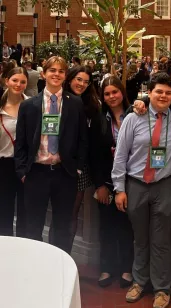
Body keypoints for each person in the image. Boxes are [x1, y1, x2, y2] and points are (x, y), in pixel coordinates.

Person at [112, 73, 171, 308]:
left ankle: (162, 287)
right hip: (137, 185)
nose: (163, 96)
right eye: (159, 91)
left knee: (161, 240)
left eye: (168, 93)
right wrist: (119, 188)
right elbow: (120, 155)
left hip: (165, 184)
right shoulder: (133, 118)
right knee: (140, 238)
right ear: (149, 92)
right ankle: (140, 281)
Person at [14, 56, 88, 254]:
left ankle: (59, 270)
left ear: (65, 76)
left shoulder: (75, 104)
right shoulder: (29, 105)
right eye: (52, 70)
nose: (56, 74)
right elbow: (20, 142)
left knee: (62, 226)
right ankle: (36, 267)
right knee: (33, 226)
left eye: (61, 71)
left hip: (65, 173)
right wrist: (22, 171)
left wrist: (77, 167)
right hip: (36, 173)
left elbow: (82, 138)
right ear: (43, 73)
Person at [90, 75, 134, 288]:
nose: (111, 96)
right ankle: (107, 267)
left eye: (115, 92)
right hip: (106, 183)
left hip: (132, 182)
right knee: (106, 227)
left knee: (127, 227)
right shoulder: (99, 120)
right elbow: (94, 154)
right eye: (107, 94)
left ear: (122, 92)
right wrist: (99, 185)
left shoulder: (135, 115)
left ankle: (127, 268)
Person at [63, 66, 98, 244]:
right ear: (70, 79)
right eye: (79, 79)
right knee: (59, 212)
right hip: (58, 162)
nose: (82, 84)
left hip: (80, 165)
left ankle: (66, 251)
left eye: (86, 81)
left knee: (72, 211)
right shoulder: (57, 99)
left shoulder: (91, 105)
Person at [0, 67, 28, 237]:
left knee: (26, 211)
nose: (18, 84)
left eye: (22, 81)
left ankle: (24, 254)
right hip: (3, 165)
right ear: (6, 81)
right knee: (4, 212)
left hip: (26, 165)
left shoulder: (32, 105)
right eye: (15, 80)